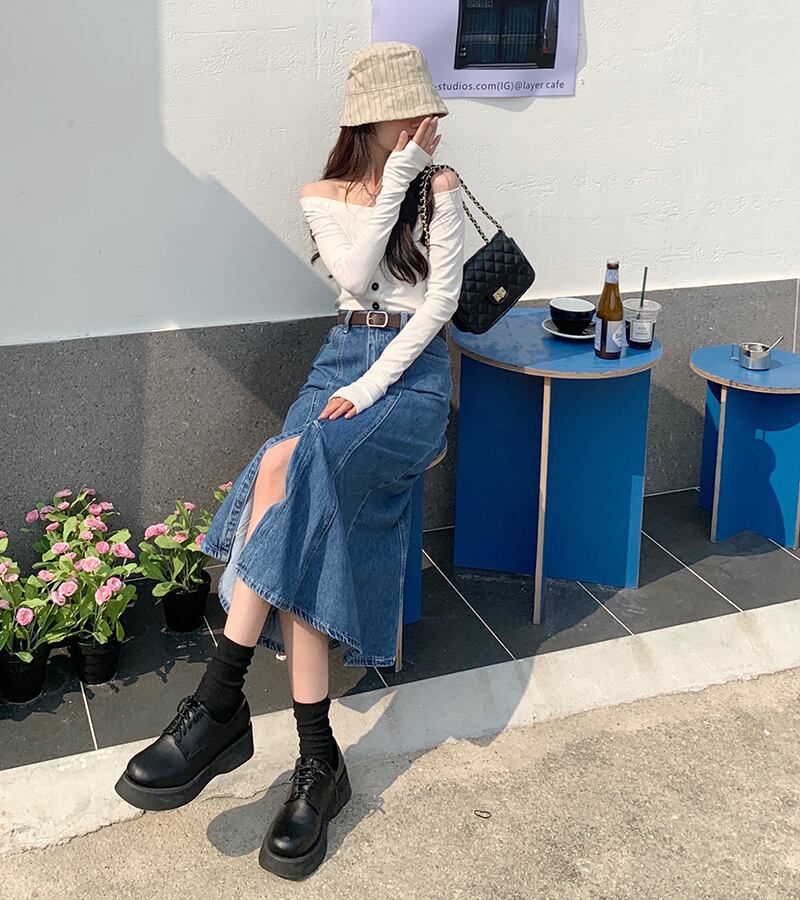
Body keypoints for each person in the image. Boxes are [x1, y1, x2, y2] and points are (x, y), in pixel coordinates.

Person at [114, 41, 466, 880]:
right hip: (338, 360)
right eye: (407, 110)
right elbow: (355, 272)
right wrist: (394, 178)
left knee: (291, 475)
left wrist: (373, 388)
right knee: (289, 480)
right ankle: (317, 761)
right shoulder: (324, 195)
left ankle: (218, 702)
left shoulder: (443, 189)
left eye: (426, 109)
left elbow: (440, 305)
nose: (423, 121)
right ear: (369, 119)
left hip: (412, 381)